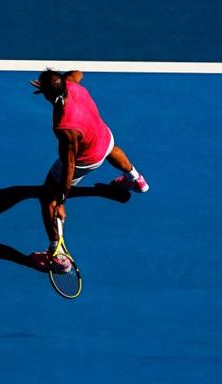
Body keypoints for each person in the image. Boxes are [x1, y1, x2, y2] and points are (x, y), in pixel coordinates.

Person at [29, 69, 149, 272]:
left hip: (87, 158)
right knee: (111, 147)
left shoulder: (65, 127)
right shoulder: (72, 84)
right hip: (102, 138)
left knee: (47, 196)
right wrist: (59, 82)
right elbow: (77, 73)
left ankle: (57, 256)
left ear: (47, 94)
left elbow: (69, 166)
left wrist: (61, 201)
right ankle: (136, 180)